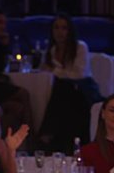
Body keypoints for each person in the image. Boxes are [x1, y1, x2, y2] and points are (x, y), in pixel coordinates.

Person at [38, 14, 101, 153]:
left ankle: (47, 132)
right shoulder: (52, 50)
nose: (59, 32)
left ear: (70, 31)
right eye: (56, 28)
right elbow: (44, 72)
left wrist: (55, 71)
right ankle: (53, 138)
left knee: (63, 88)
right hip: (64, 93)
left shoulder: (80, 47)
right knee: (62, 89)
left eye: (64, 28)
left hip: (84, 90)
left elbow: (78, 74)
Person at [0, 10, 32, 143]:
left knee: (17, 108)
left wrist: (4, 46)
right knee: (23, 93)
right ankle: (31, 137)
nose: (3, 27)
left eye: (4, 23)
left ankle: (2, 144)